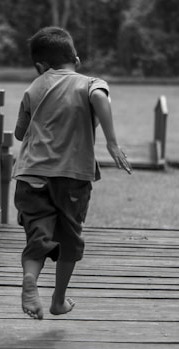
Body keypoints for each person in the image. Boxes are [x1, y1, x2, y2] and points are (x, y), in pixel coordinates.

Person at [12, 26, 132, 321]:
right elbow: (100, 98)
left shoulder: (34, 87)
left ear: (41, 66)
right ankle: (58, 300)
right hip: (72, 177)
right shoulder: (89, 83)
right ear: (75, 58)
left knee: (38, 236)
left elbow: (19, 133)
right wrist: (112, 143)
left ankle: (30, 279)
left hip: (31, 176)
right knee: (69, 239)